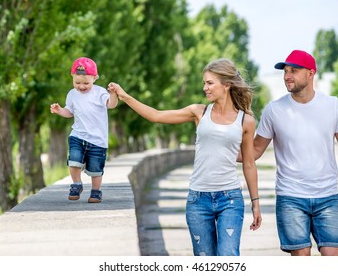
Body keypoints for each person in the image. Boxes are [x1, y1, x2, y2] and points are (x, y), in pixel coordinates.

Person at [109, 58, 262, 256]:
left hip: (230, 199)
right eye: (204, 83)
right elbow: (156, 115)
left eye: (209, 83)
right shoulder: (199, 112)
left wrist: (255, 203)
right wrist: (125, 97)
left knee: (228, 257)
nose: (205, 87)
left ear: (227, 85)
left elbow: (249, 164)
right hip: (198, 200)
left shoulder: (246, 121)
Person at [253, 50, 338, 256]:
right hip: (290, 197)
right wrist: (222, 147)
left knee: (333, 257)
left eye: (294, 70)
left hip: (327, 197)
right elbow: (256, 149)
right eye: (285, 71)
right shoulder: (274, 110)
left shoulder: (333, 105)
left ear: (311, 73)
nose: (287, 76)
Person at [50, 57, 118, 203]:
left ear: (95, 78)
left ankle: (96, 191)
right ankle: (76, 184)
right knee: (73, 160)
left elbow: (111, 105)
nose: (81, 86)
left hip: (98, 140)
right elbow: (70, 112)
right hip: (78, 135)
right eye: (77, 82)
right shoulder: (72, 94)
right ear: (72, 77)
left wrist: (113, 94)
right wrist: (60, 110)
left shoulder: (99, 93)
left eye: (86, 83)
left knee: (96, 169)